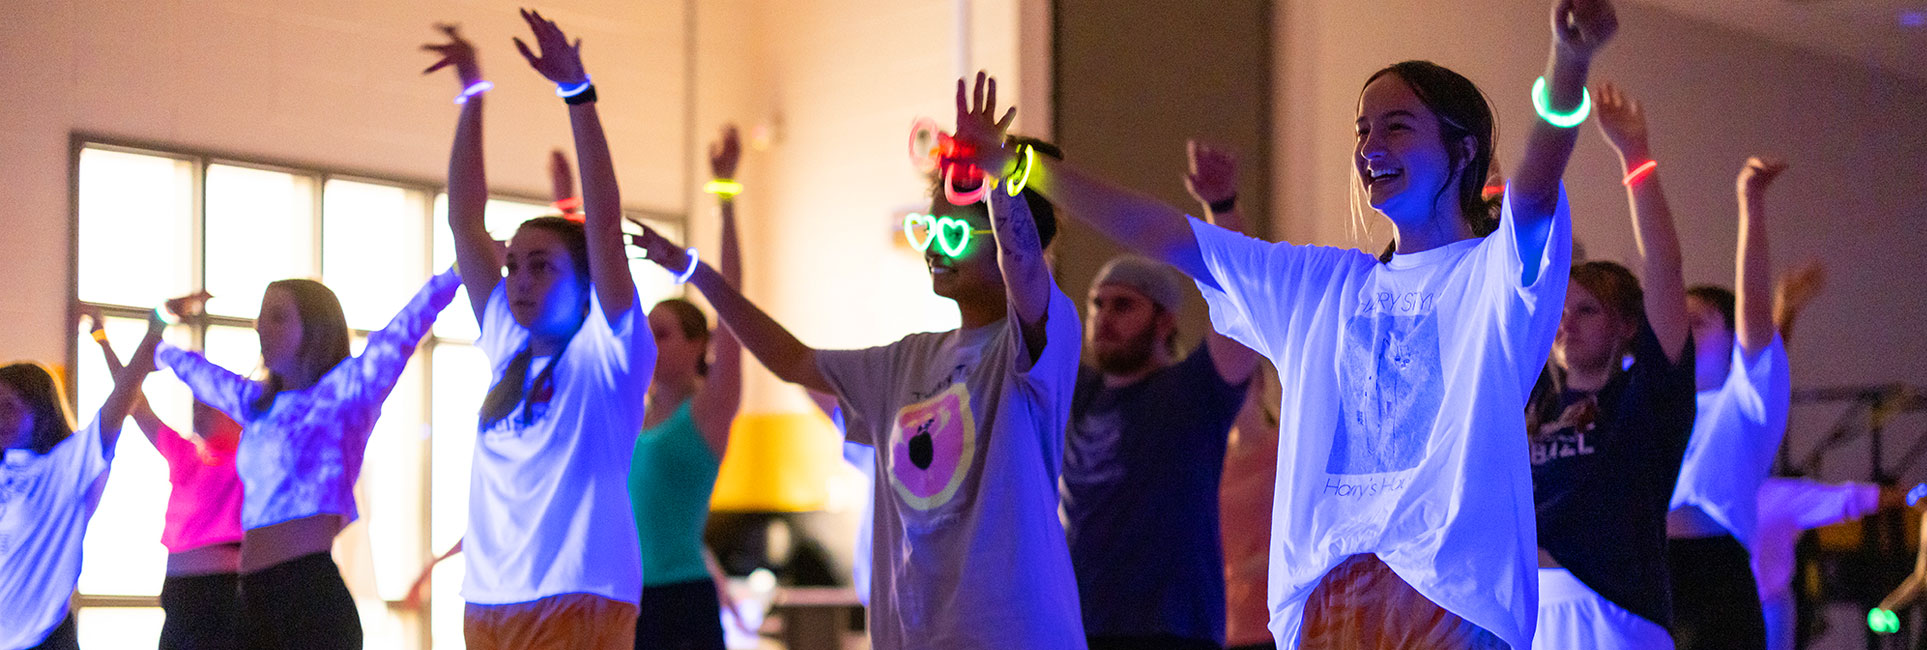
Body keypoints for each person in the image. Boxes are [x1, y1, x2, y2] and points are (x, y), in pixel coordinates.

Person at [945, 0, 1616, 645]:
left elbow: (1533, 191)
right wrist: (1020, 166)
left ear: (1463, 150)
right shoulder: (1318, 287)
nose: (1370, 147)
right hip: (1324, 605)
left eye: (1396, 127)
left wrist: (1568, 61)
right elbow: (1163, 233)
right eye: (1361, 130)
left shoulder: (1495, 277)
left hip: (1452, 601)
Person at [631, 77, 1085, 649]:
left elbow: (1024, 267)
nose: (933, 247)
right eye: (928, 227)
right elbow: (792, 359)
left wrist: (994, 173)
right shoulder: (906, 360)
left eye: (953, 232)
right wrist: (696, 272)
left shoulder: (1038, 345)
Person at [427, 13, 656, 649]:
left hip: (580, 598)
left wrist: (577, 94)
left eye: (541, 266)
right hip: (489, 602)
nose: (519, 281)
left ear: (586, 285)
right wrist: (473, 95)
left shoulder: (608, 353)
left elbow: (603, 225)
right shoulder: (508, 346)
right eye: (513, 267)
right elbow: (466, 224)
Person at [158, 268, 458, 649]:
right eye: (261, 318)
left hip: (309, 602)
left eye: (277, 317)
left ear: (316, 329)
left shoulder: (345, 393)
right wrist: (160, 332)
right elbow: (195, 371)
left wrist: (458, 271)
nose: (261, 328)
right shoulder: (259, 404)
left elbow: (403, 331)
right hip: (250, 601)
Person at [1059, 141, 1259, 650]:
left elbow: (1244, 308)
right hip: (1078, 631)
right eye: (1097, 305)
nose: (1104, 317)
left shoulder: (1192, 394)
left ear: (1165, 321)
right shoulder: (1078, 394)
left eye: (1124, 305)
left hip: (1174, 633)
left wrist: (1222, 207)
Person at [1526, 82, 1695, 650]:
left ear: (1626, 325)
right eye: (1560, 312)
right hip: (1528, 612)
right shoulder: (1535, 400)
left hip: (1611, 614)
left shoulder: (1643, 398)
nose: (1566, 324)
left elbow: (1665, 270)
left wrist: (1635, 157)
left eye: (1587, 310)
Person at [1665, 155, 1795, 650]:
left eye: (1698, 322)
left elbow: (1756, 314)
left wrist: (1751, 204)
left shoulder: (1744, 402)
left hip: (1712, 583)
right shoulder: (1650, 403)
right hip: (1648, 578)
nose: (1682, 331)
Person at [628, 125, 744, 650]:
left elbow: (734, 303)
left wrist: (725, 196)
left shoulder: (708, 410)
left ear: (700, 344)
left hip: (681, 603)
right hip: (627, 596)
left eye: (663, 334)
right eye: (646, 334)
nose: (649, 345)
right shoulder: (634, 411)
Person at [82, 297, 246, 650]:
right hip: (180, 591)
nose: (198, 412)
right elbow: (130, 399)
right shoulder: (187, 455)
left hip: (224, 591)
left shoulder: (250, 458)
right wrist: (101, 339)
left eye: (207, 405)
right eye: (195, 405)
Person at [1, 312, 162, 650]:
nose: (0, 417)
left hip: (42, 641)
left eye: (9, 406)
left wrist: (156, 326)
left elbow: (119, 402)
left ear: (39, 411)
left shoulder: (63, 468)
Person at [1752, 478, 1913, 650]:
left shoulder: (1775, 495)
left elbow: (1845, 500)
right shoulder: (1769, 496)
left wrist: (1904, 497)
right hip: (1747, 608)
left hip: (1768, 608)